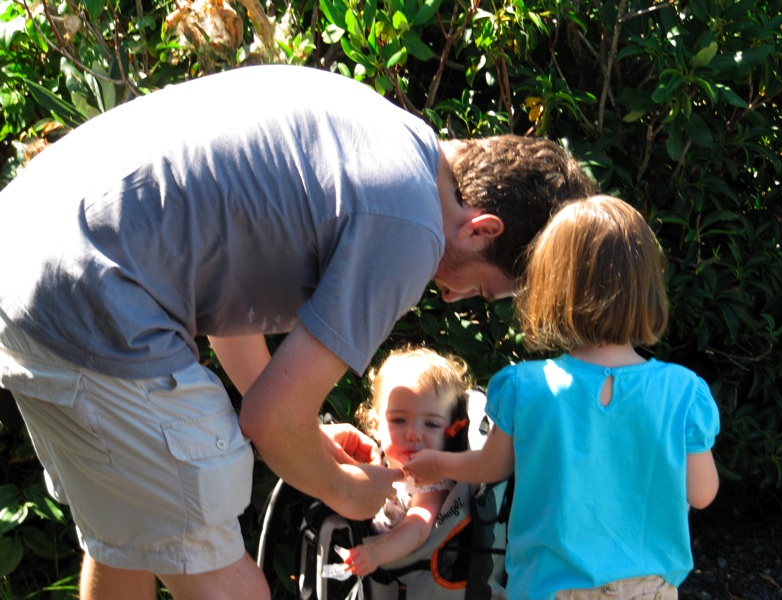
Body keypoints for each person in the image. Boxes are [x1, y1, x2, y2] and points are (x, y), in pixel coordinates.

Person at [0, 64, 595, 600]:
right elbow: (267, 421)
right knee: (218, 569)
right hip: (97, 292)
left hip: (28, 251)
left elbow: (226, 311)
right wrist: (346, 491)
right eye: (484, 288)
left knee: (126, 533)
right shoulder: (410, 225)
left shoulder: (384, 132)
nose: (456, 298)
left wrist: (306, 434)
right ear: (481, 230)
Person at [405, 195, 721, 599]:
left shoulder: (526, 386)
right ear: (646, 287)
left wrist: (434, 463)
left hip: (548, 588)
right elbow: (702, 493)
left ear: (553, 286)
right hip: (648, 589)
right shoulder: (682, 391)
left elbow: (490, 466)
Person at [337, 346, 472, 576]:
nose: (413, 435)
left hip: (408, 580)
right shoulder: (377, 459)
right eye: (399, 420)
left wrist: (377, 552)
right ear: (377, 425)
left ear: (449, 433)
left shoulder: (431, 480)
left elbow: (418, 526)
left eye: (431, 424)